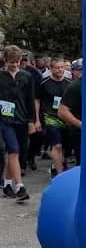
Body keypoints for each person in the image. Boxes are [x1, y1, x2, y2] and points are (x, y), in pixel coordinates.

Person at [1, 45, 35, 202]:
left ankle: (7, 184)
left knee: (16, 152)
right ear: (4, 60)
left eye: (17, 61)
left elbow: (30, 100)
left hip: (21, 120)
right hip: (4, 120)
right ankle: (20, 187)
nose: (14, 65)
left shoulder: (27, 77)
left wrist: (32, 121)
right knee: (13, 151)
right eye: (11, 62)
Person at [35, 55, 70, 178]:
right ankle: (60, 175)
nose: (60, 70)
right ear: (50, 68)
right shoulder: (44, 83)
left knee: (64, 146)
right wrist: (37, 120)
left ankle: (57, 166)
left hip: (66, 118)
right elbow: (37, 100)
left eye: (62, 68)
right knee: (57, 145)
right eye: (57, 68)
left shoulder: (68, 83)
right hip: (50, 117)